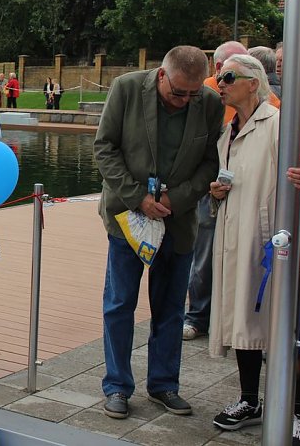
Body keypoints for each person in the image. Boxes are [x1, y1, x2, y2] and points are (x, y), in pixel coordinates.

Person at [94, 45, 224, 419]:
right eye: (177, 92)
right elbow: (104, 149)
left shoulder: (209, 103)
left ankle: (164, 384)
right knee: (119, 305)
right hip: (128, 220)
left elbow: (209, 164)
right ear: (162, 76)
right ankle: (117, 386)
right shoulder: (127, 89)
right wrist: (138, 198)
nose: (184, 100)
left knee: (169, 308)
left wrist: (176, 199)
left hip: (178, 221)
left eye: (192, 94)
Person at [208, 54, 300, 445]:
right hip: (235, 240)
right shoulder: (228, 131)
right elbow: (228, 183)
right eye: (218, 76)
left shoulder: (279, 124)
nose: (219, 83)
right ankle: (250, 401)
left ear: (253, 82)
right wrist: (215, 192)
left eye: (227, 77)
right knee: (243, 319)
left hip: (273, 246)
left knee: (286, 326)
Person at [183, 41, 251, 342]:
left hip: (245, 190)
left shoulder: (264, 105)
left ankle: (231, 318)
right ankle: (198, 315)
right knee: (205, 252)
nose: (225, 82)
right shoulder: (204, 95)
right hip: (211, 188)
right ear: (218, 68)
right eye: (226, 73)